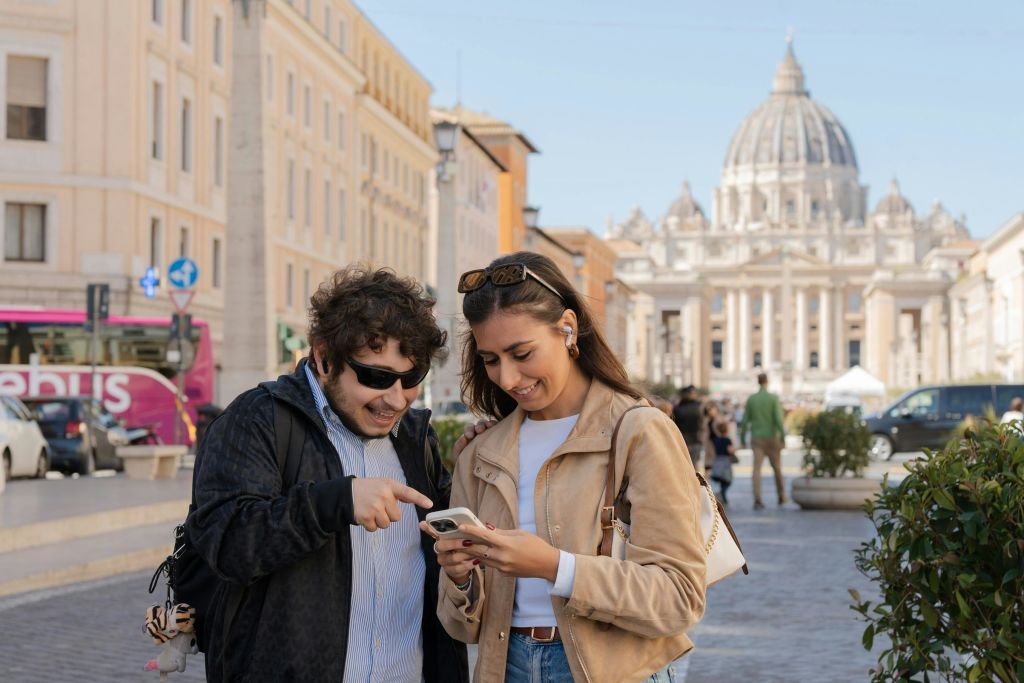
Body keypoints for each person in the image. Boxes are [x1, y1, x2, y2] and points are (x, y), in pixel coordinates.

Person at [424, 252, 707, 683]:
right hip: (504, 669)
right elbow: (461, 627)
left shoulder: (638, 431)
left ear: (568, 329)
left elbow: (679, 598)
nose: (507, 378)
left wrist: (555, 567)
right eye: (491, 359)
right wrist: (460, 578)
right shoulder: (480, 452)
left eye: (522, 353)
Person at [185, 265, 469, 682]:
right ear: (323, 358)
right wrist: (334, 503)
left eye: (411, 377)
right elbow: (227, 544)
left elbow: (445, 557)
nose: (395, 399)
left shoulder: (415, 436)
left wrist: (472, 475)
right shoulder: (257, 419)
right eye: (377, 376)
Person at [739, 373, 786, 510]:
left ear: (758, 382)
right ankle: (781, 495)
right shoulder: (773, 398)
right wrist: (783, 437)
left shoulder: (752, 399)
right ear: (767, 382)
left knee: (756, 470)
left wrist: (742, 438)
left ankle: (757, 499)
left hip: (757, 437)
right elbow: (778, 419)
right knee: (777, 468)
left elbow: (745, 421)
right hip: (772, 437)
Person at [673, 385, 705, 470]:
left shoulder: (677, 408)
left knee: (683, 467)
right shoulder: (699, 407)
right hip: (695, 440)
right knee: (694, 468)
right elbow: (703, 425)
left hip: (682, 440)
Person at [709, 420, 737, 506]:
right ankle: (722, 495)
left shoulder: (716, 440)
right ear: (727, 430)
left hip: (717, 461)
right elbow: (730, 450)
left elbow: (713, 451)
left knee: (722, 480)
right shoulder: (727, 440)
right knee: (727, 480)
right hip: (725, 462)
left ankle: (723, 497)